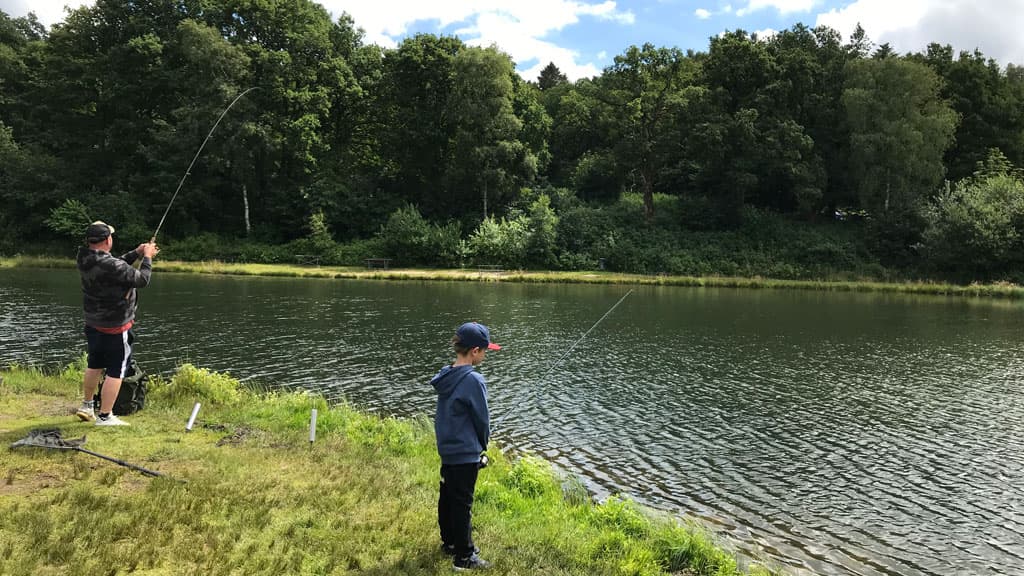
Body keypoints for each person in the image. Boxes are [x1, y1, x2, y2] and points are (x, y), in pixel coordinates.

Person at [430, 321, 501, 571]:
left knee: (448, 496)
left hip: (448, 448)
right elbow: (482, 419)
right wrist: (483, 445)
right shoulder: (473, 380)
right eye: (484, 351)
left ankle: (449, 542)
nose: (485, 355)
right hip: (464, 453)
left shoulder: (446, 374)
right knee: (463, 504)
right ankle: (464, 556)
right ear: (474, 351)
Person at [74, 221, 159, 426]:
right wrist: (147, 257)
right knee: (116, 371)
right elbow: (142, 280)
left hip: (93, 323)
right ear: (107, 240)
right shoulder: (112, 265)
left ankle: (87, 405)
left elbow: (116, 265)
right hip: (115, 326)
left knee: (94, 364)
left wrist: (135, 253)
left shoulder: (84, 257)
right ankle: (105, 415)